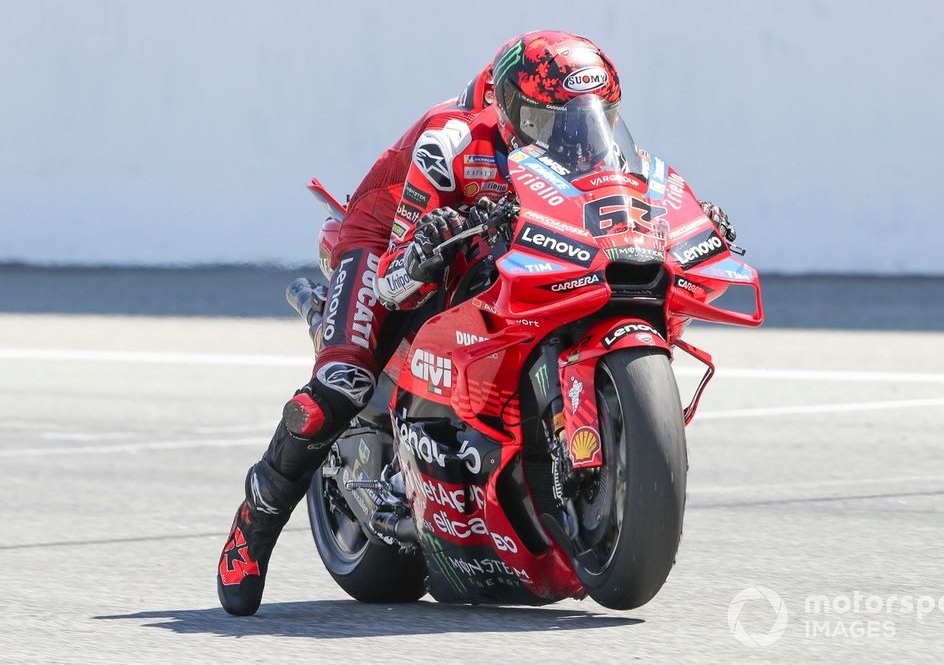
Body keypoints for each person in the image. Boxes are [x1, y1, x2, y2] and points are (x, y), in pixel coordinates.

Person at [216, 30, 735, 616]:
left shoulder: (592, 144)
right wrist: (422, 250)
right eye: (548, 119)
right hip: (387, 237)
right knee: (341, 385)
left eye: (590, 115)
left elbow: (630, 199)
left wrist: (693, 222)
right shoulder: (453, 143)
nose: (569, 130)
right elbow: (394, 280)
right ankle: (250, 533)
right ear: (512, 110)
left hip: (489, 239)